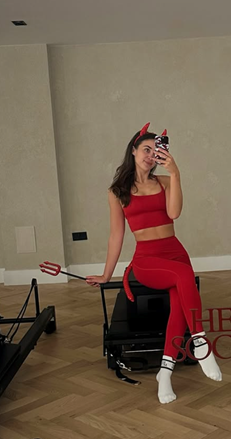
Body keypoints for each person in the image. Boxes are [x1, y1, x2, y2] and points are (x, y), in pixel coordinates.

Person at [86, 122, 222, 404]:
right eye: (146, 149)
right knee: (183, 276)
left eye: (155, 151)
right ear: (133, 151)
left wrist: (175, 173)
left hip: (175, 252)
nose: (150, 155)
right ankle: (200, 342)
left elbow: (174, 213)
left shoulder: (166, 182)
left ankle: (165, 374)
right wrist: (106, 274)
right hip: (147, 259)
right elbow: (116, 236)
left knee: (178, 311)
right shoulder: (117, 192)